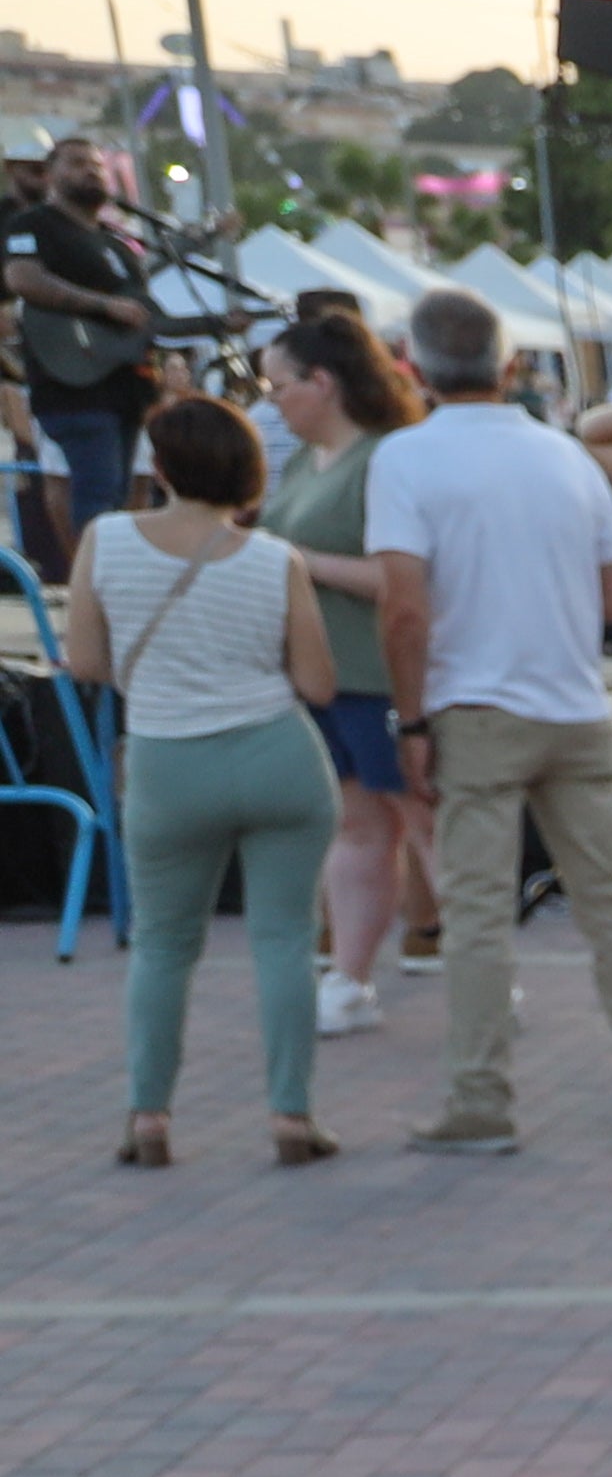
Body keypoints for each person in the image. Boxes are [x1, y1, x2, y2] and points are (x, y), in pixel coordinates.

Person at [367, 282, 612, 1159]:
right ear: (507, 364)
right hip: (574, 703)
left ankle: (481, 1095)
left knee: (475, 911)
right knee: (609, 904)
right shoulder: (565, 456)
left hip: (476, 705)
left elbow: (403, 608)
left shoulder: (408, 460)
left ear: (415, 366)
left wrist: (413, 717)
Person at [70, 390, 345, 1171]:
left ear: (158, 467)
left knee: (162, 946)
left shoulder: (108, 539)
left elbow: (86, 663)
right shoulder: (275, 558)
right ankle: (292, 1114)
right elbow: (318, 683)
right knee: (285, 941)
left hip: (167, 759)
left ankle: (149, 1116)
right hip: (278, 756)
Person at [259, 311, 428, 1046]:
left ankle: (483, 967)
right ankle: (351, 978)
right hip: (327, 678)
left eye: (281, 385)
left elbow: (405, 580)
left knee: (424, 824)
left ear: (322, 383)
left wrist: (297, 561)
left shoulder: (387, 458)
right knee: (358, 827)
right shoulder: (302, 463)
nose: (273, 401)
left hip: (383, 677)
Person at [7, 135, 160, 537]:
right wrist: (103, 306)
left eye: (96, 164)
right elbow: (23, 278)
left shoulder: (117, 244)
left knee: (120, 497)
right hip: (73, 383)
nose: (91, 170)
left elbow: (145, 311)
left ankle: (105, 587)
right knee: (97, 494)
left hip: (124, 386)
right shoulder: (33, 224)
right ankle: (94, 590)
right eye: (76, 163)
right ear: (52, 175)